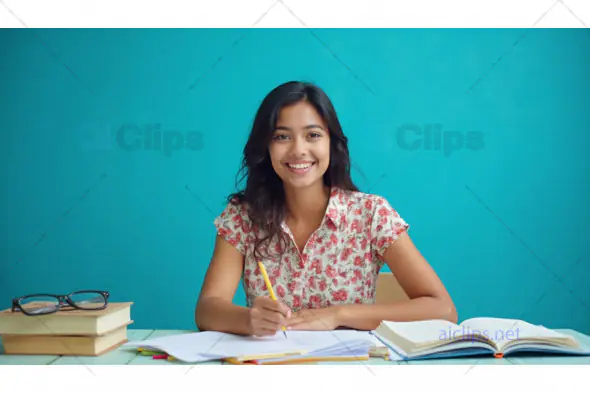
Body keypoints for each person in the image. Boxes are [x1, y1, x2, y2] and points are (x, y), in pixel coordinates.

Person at [195, 81, 457, 337]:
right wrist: (248, 319)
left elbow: (443, 309)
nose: (298, 150)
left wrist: (338, 314)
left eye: (313, 135)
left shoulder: (371, 214)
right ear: (266, 146)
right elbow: (207, 310)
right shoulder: (242, 217)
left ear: (332, 143)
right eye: (282, 136)